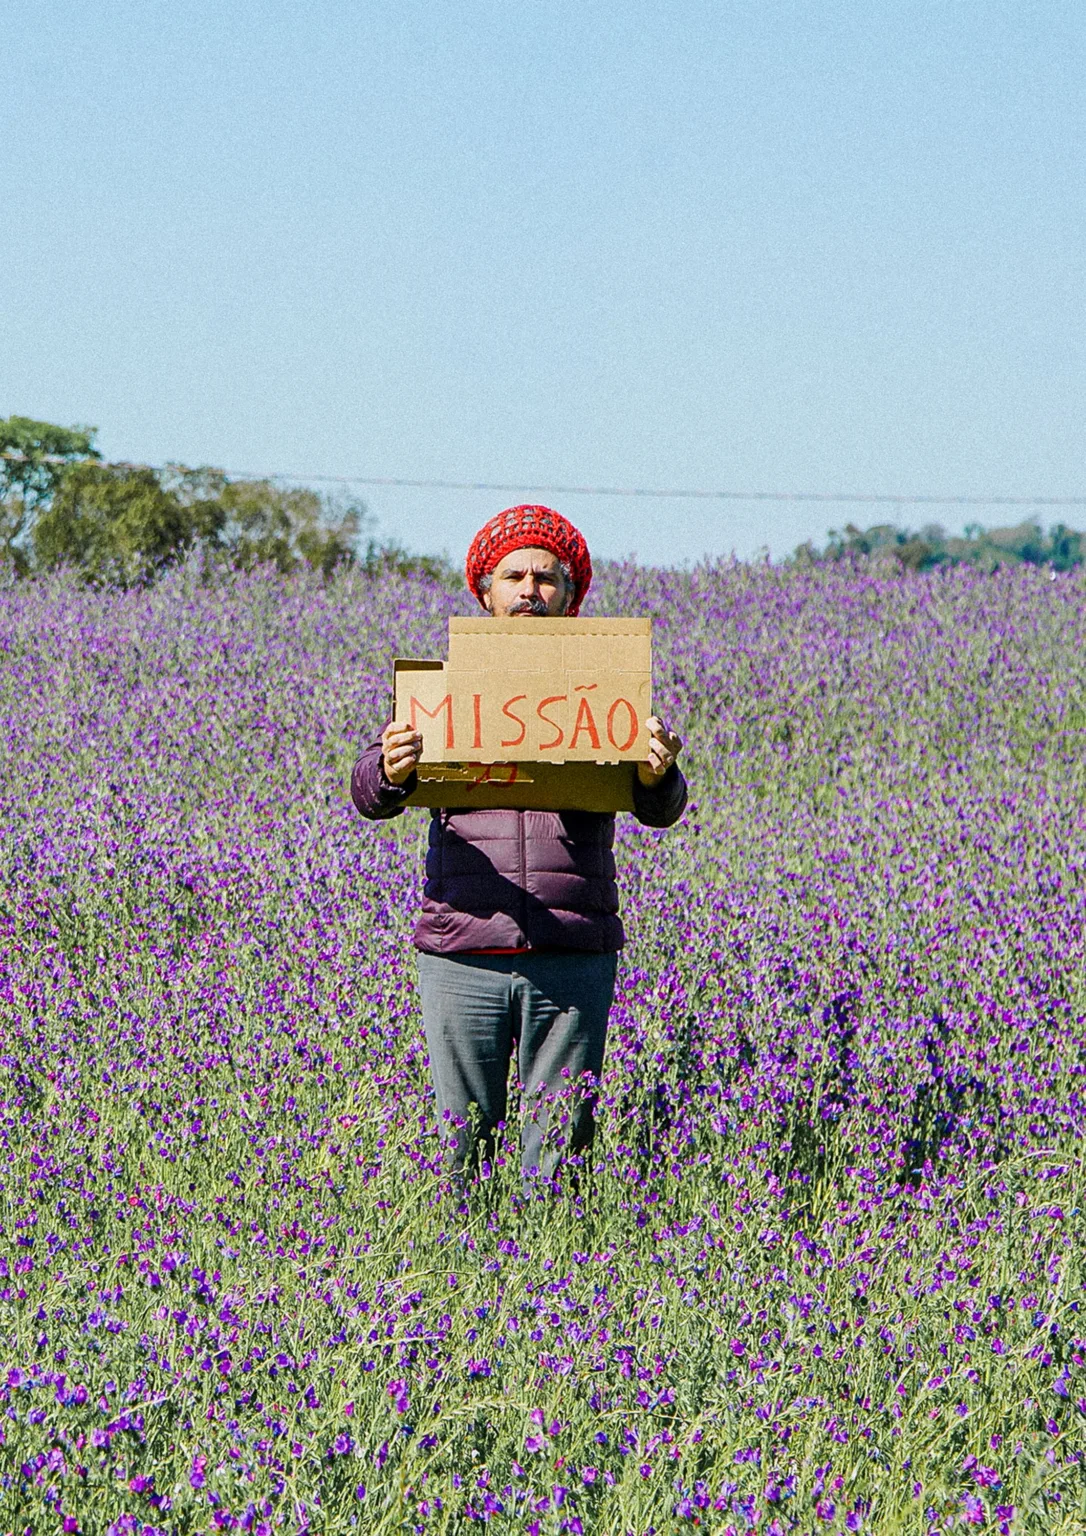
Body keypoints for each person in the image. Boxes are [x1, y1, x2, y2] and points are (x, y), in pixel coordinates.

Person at [351, 504, 687, 1182]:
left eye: (546, 578)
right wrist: (387, 769)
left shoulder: (605, 690)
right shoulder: (444, 689)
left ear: (570, 596)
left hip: (571, 945)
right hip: (462, 945)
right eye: (514, 577)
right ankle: (461, 1274)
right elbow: (368, 795)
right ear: (484, 591)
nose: (529, 591)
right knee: (461, 1142)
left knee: (559, 1149)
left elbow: (662, 808)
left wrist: (659, 773)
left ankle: (550, 1275)